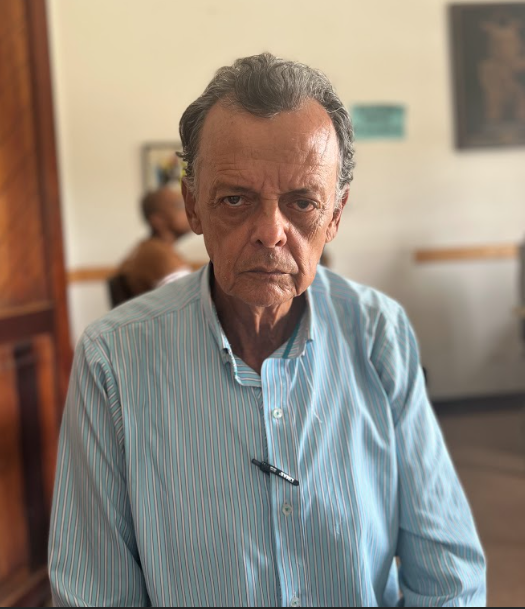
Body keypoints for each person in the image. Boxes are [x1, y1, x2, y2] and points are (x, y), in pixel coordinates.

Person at [49, 53, 486, 607]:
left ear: (335, 214)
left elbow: (448, 574)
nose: (270, 233)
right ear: (193, 206)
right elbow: (93, 591)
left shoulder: (379, 331)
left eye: (303, 202)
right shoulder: (113, 357)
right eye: (235, 199)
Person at [113, 186, 192, 303]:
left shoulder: (146, 249)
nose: (190, 211)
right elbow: (189, 302)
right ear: (158, 220)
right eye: (179, 206)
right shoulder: (160, 255)